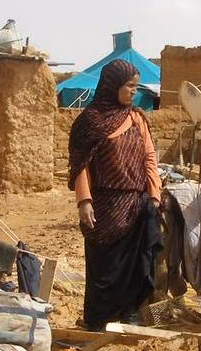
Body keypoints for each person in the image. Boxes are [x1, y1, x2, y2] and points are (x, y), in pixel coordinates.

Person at [67, 60, 162, 331]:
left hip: (135, 202)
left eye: (135, 86)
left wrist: (153, 194)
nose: (133, 92)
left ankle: (129, 313)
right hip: (104, 204)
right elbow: (80, 166)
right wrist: (83, 201)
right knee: (104, 266)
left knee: (134, 264)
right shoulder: (89, 123)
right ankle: (98, 318)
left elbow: (149, 157)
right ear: (112, 86)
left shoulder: (137, 118)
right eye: (129, 86)